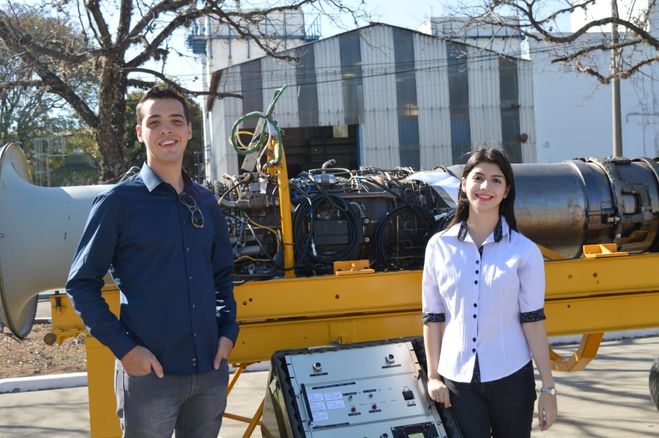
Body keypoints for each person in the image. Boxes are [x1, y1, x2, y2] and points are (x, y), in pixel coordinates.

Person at [66, 86, 238, 438]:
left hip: (209, 372)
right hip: (150, 378)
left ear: (190, 131)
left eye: (176, 121)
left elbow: (221, 275)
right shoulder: (118, 203)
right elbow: (81, 285)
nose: (166, 130)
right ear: (140, 132)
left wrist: (228, 331)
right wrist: (126, 351)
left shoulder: (205, 204)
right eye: (154, 122)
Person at [422, 148, 557, 437]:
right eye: (478, 178)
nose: (486, 187)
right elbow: (433, 317)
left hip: (512, 379)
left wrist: (548, 387)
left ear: (507, 191)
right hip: (457, 383)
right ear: (463, 183)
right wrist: (433, 377)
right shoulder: (438, 246)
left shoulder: (524, 251)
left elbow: (533, 320)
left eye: (496, 180)